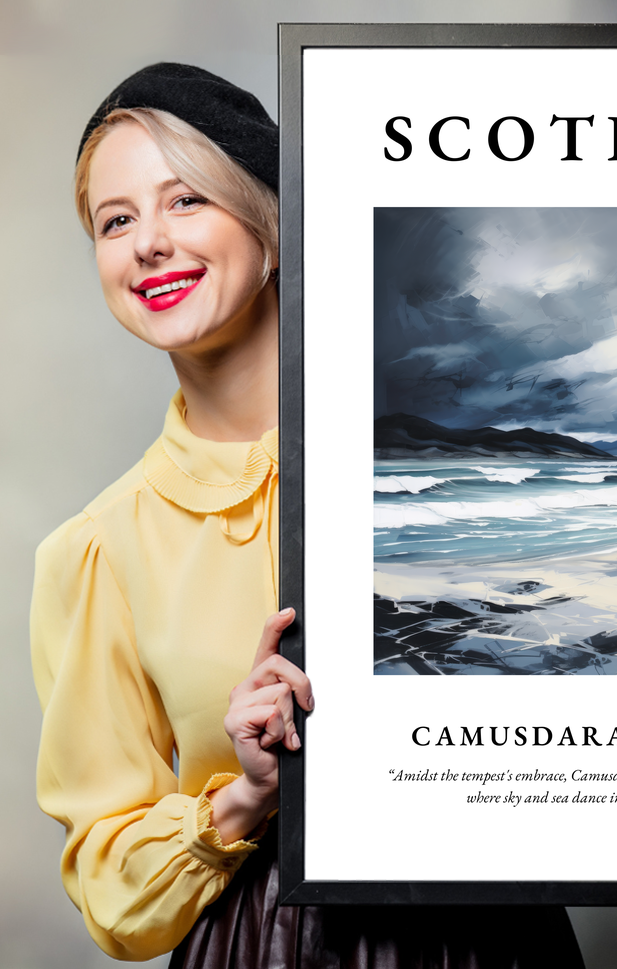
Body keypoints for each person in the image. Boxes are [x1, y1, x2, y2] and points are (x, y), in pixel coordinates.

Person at [30, 63, 586, 967]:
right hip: (263, 944)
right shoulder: (98, 550)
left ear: (273, 226)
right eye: (116, 220)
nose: (148, 244)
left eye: (185, 201)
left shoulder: (450, 471)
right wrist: (244, 795)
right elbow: (110, 887)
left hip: (492, 935)